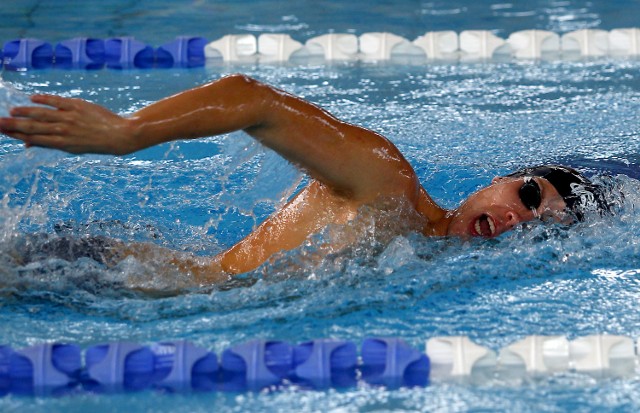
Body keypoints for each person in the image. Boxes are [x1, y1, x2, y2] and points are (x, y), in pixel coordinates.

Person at [0, 74, 609, 286]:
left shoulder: (419, 255)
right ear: (498, 180)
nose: (518, 219)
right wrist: (126, 134)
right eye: (528, 195)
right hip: (91, 270)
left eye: (541, 226)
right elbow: (252, 99)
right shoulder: (386, 183)